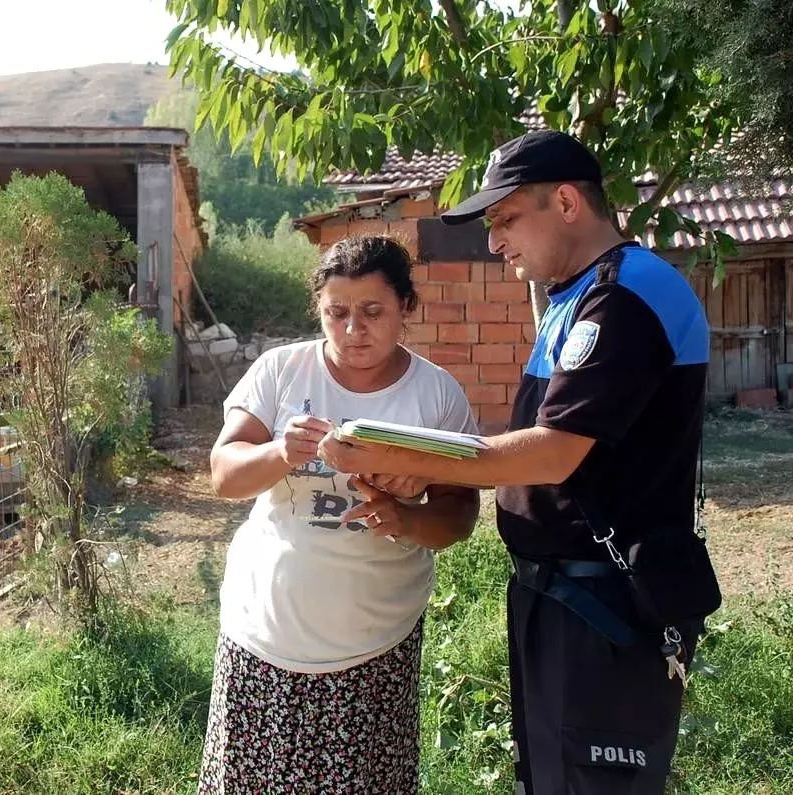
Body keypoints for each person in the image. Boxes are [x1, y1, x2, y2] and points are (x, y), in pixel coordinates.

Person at [319, 130, 722, 794]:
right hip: (562, 595)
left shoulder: (625, 295)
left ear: (565, 202)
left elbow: (555, 452)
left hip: (605, 600)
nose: (495, 241)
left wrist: (413, 459)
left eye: (506, 219)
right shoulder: (575, 296)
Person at [198, 235, 481, 794]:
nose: (354, 330)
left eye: (373, 312)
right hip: (264, 636)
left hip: (375, 647)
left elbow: (459, 515)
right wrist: (282, 451)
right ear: (319, 310)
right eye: (337, 313)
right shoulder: (282, 370)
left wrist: (404, 519)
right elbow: (224, 474)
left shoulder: (435, 394)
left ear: (406, 306)